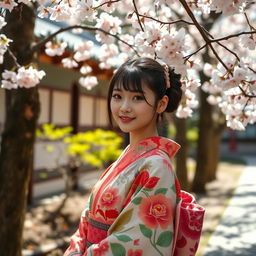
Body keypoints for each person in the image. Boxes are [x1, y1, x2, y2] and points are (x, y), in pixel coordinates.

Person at [64, 57, 183, 256]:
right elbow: (87, 218)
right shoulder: (131, 155)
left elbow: (137, 240)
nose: (124, 107)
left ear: (161, 104)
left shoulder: (157, 166)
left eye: (137, 98)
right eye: (118, 96)